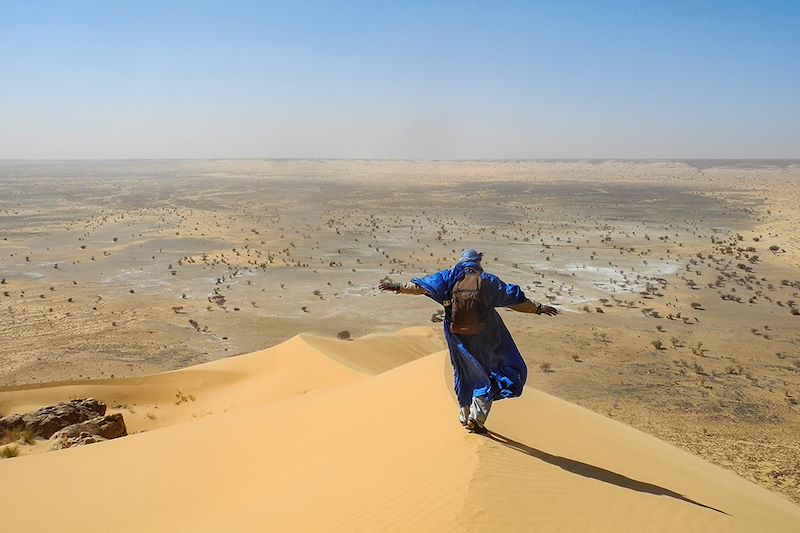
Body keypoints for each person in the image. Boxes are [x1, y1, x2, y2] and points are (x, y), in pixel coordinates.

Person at [379, 249, 557, 434]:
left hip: (457, 336)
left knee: (464, 373)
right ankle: (476, 420)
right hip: (485, 335)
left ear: (462, 261)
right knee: (488, 374)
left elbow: (421, 287)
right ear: (478, 263)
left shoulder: (448, 277)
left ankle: (465, 416)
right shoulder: (488, 281)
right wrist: (537, 308)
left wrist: (397, 287)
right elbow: (513, 298)